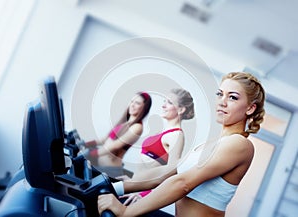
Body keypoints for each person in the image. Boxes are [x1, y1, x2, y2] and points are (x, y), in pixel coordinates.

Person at [97, 72, 266, 217]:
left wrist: (126, 212)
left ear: (250, 108)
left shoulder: (240, 145)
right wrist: (113, 187)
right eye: (220, 94)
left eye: (232, 97)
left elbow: (183, 183)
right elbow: (166, 173)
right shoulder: (212, 143)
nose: (222, 101)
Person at [120, 88, 195, 205]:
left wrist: (144, 195)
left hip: (140, 195)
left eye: (169, 103)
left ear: (181, 109)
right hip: (134, 188)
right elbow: (148, 168)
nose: (164, 106)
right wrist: (132, 181)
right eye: (164, 101)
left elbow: (171, 172)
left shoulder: (176, 135)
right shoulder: (166, 132)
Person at [81, 92, 152, 176]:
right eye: (132, 101)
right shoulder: (124, 122)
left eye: (137, 103)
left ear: (144, 108)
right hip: (99, 165)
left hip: (109, 170)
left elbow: (115, 146)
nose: (132, 105)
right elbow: (105, 139)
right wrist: (85, 144)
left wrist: (89, 154)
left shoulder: (137, 127)